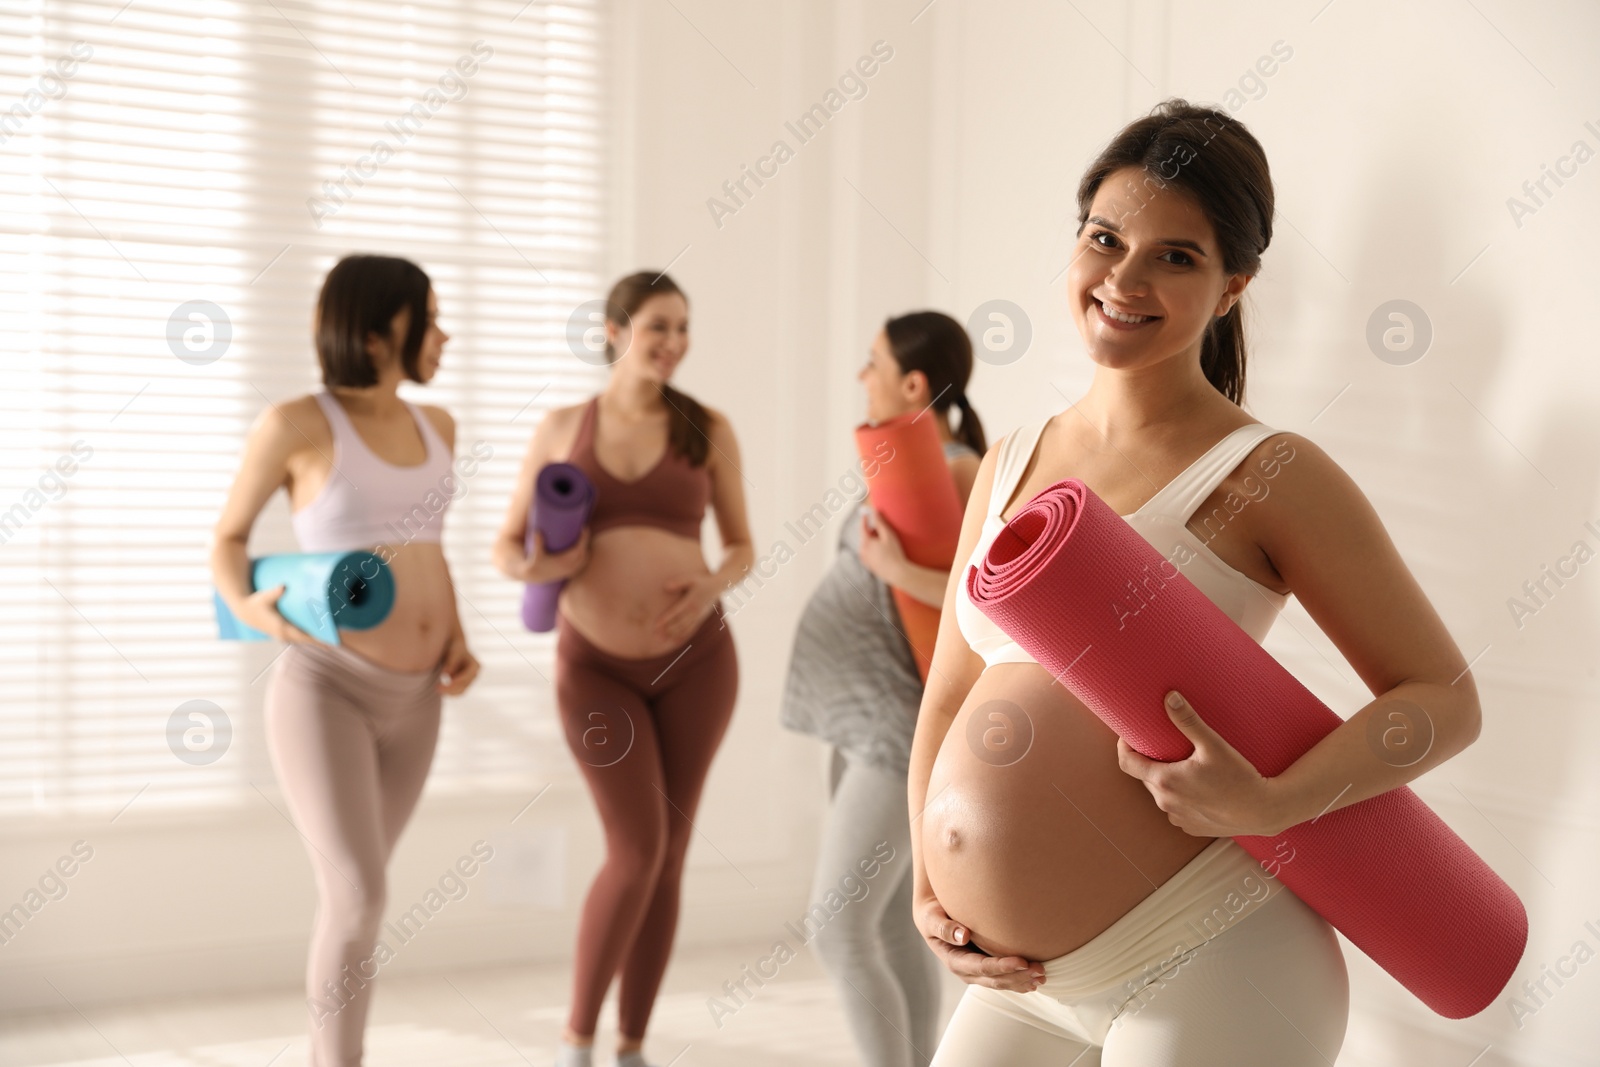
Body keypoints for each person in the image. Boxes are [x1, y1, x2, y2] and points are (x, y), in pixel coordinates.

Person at [909, 99, 1484, 1065]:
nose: (1124, 278)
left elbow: (1444, 701)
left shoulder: (1266, 471)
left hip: (1209, 954)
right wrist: (931, 882)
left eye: (1176, 257)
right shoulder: (1009, 461)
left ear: (1231, 287)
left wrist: (1274, 802)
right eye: (1105, 239)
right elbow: (948, 697)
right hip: (1022, 980)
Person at [211, 253, 481, 1066]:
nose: (445, 333)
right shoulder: (298, 422)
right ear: (381, 327)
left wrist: (457, 634)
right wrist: (250, 605)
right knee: (361, 895)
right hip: (325, 687)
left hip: (419, 695)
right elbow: (228, 538)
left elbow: (428, 546)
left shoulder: (441, 427)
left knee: (355, 897)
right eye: (430, 317)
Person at [493, 272, 754, 1067]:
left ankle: (632, 1046)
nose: (673, 343)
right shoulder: (563, 427)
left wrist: (708, 582)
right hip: (595, 668)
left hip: (698, 660)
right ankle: (577, 1039)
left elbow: (742, 545)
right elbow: (507, 547)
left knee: (670, 853)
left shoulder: (707, 427)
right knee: (636, 848)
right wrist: (549, 559)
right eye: (657, 327)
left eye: (682, 327)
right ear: (613, 331)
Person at [779, 311, 985, 1067]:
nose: (859, 377)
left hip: (898, 727)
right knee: (892, 922)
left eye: (872, 362)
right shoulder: (909, 459)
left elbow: (982, 597)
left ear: (913, 383)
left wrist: (898, 573)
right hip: (861, 717)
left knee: (835, 925)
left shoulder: (958, 466)